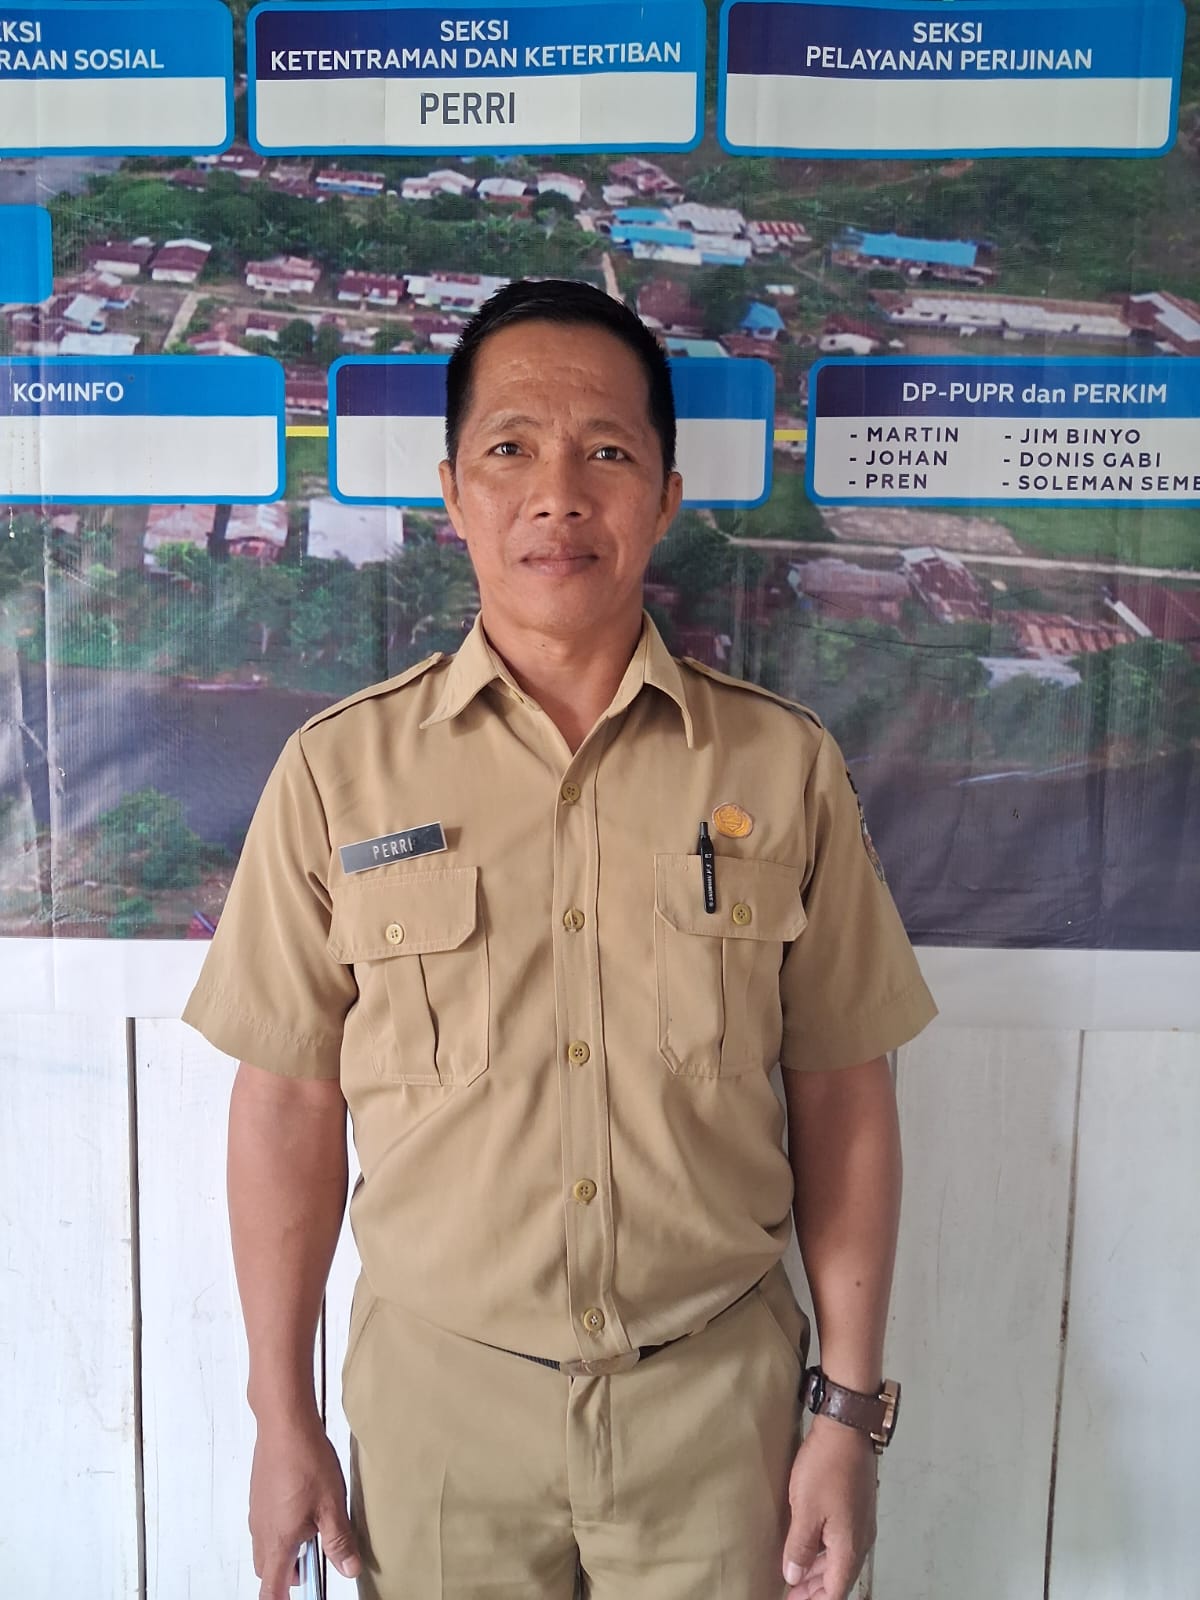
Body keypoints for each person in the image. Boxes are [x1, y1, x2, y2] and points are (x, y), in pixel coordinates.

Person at [183, 278, 936, 1600]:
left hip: (718, 1409)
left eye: (606, 454)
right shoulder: (338, 774)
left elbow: (843, 1090)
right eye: (511, 450)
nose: (558, 496)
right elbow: (287, 1104)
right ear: (453, 491)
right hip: (440, 1414)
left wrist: (847, 1411)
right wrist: (280, 1415)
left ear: (666, 493)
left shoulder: (783, 765)